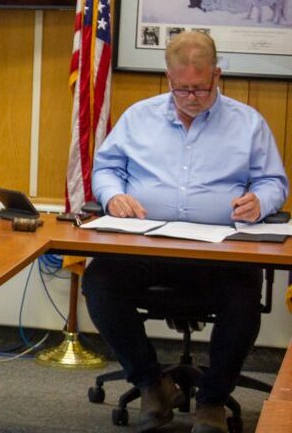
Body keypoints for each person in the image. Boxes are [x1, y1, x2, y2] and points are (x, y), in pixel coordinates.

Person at [83, 31, 288, 433]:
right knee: (100, 282)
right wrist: (112, 197)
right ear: (168, 77)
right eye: (181, 89)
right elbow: (106, 169)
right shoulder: (139, 117)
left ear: (217, 75)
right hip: (147, 244)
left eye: (200, 88)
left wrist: (260, 202)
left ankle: (211, 400)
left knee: (243, 300)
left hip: (219, 251)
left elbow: (273, 182)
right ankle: (150, 382)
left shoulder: (248, 124)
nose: (191, 98)